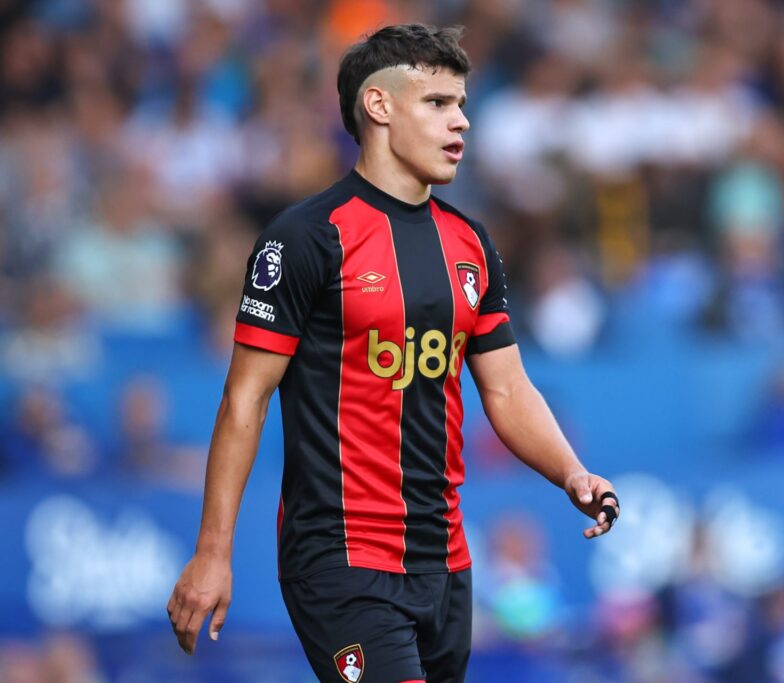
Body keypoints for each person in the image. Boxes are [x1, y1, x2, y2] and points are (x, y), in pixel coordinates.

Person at [166, 23, 620, 683]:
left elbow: (507, 388)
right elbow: (246, 396)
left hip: (446, 562)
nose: (460, 121)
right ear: (378, 107)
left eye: (462, 104)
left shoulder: (470, 242)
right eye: (437, 104)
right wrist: (213, 551)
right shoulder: (305, 239)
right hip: (340, 562)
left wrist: (572, 472)